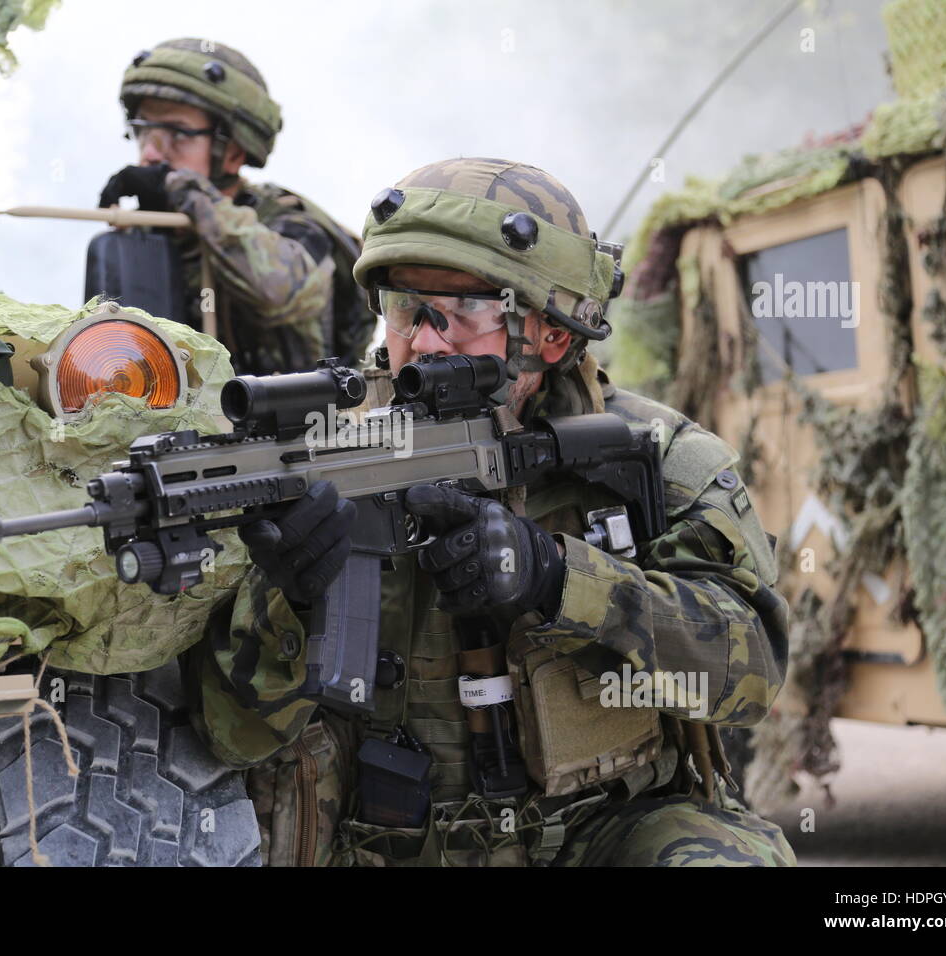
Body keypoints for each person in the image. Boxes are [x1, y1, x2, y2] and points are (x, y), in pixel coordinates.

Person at [188, 157, 797, 867]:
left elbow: (751, 675)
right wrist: (285, 600)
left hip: (597, 835)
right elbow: (230, 736)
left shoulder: (656, 457)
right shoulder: (323, 455)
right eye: (405, 309)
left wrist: (557, 578)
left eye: (467, 310)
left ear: (555, 335)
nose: (426, 340)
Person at [97, 38, 373, 375]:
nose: (151, 153)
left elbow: (280, 293)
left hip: (307, 423)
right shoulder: (145, 234)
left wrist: (182, 188)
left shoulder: (290, 225)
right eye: (143, 131)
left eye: (177, 133)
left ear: (234, 152)